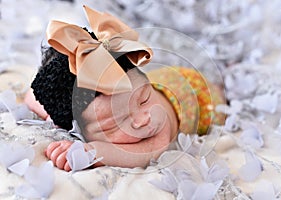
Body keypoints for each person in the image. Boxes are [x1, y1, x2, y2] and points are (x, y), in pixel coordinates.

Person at [25, 5, 224, 171]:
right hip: (161, 81)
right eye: (117, 124)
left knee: (220, 95)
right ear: (79, 129)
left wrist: (92, 152)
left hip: (202, 94)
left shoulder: (159, 125)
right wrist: (52, 115)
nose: (143, 119)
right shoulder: (97, 109)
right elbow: (32, 96)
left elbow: (150, 151)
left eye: (144, 98)